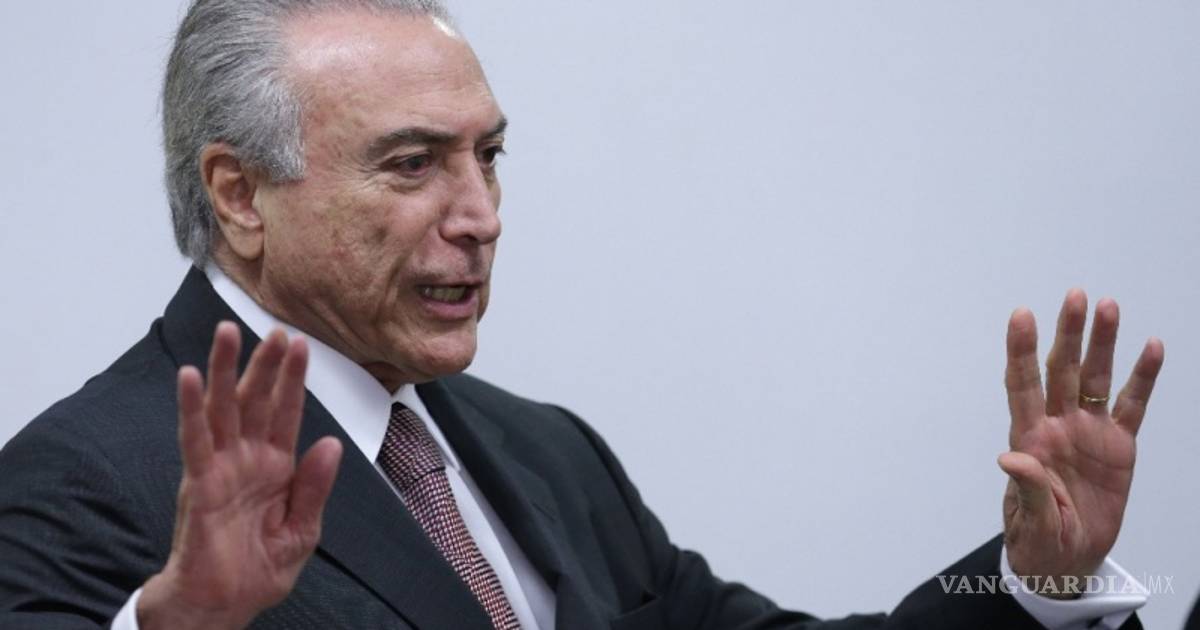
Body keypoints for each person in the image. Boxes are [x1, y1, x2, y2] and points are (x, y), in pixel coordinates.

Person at [0, 1, 1166, 629]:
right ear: (240, 194)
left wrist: (1038, 581)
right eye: (411, 165)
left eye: (489, 157)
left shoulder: (544, 452)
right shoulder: (81, 480)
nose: (480, 215)